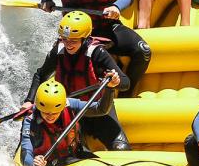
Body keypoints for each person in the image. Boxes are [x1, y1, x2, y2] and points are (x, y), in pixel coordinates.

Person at [24, 11, 131, 151]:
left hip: (98, 108)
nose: (68, 44)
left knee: (121, 148)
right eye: (64, 38)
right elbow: (40, 75)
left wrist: (115, 82)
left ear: (85, 38)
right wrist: (29, 100)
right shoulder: (58, 51)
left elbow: (125, 82)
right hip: (68, 109)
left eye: (74, 40)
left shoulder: (97, 53)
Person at [20, 79, 117, 166]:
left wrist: (110, 88)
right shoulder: (30, 120)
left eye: (55, 113)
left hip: (74, 154)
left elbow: (101, 109)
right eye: (45, 112)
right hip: (48, 165)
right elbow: (25, 154)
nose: (50, 116)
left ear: (62, 107)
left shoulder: (69, 104)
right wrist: (33, 162)